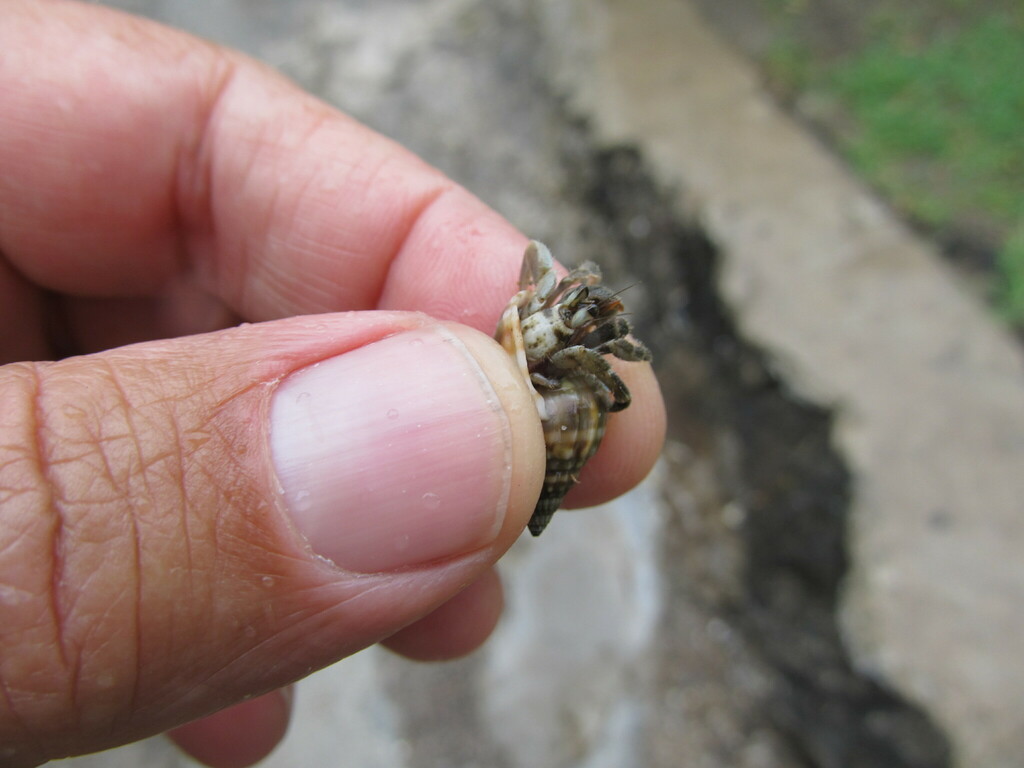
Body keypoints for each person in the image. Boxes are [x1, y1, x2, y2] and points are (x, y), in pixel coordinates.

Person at [0, 2, 666, 766]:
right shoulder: (548, 327)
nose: (586, 309)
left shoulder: (575, 361)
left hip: (535, 385)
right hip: (522, 372)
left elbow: (607, 386)